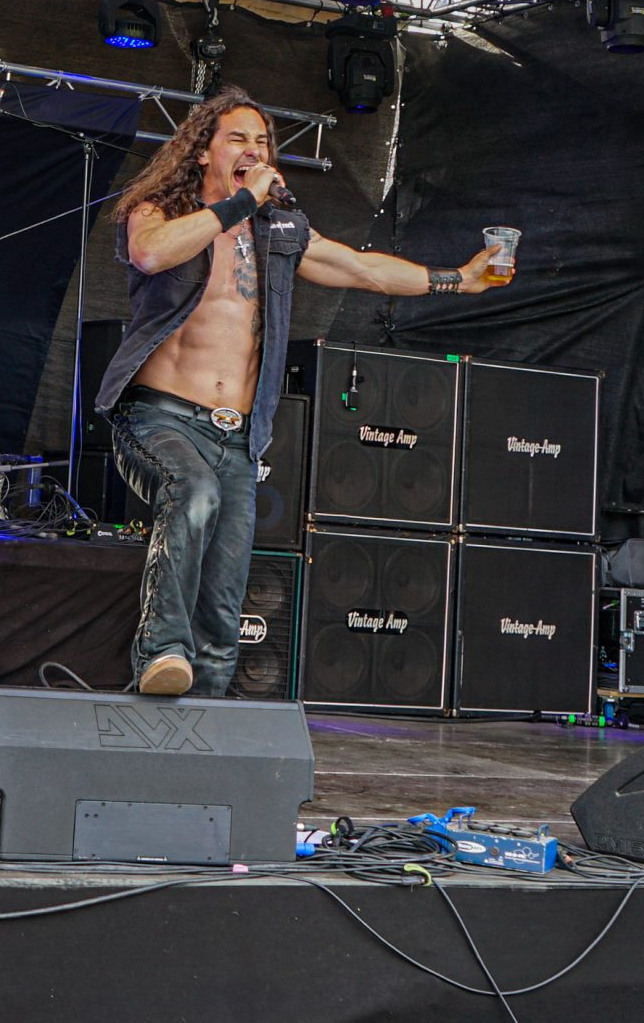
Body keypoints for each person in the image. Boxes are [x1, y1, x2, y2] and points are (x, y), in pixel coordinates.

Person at [91, 88, 507, 697]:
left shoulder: (280, 230)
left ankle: (204, 704)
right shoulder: (160, 210)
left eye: (262, 142)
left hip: (236, 435)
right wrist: (239, 202)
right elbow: (150, 254)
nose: (254, 151)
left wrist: (458, 280)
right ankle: (161, 650)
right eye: (238, 139)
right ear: (202, 151)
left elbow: (362, 268)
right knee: (193, 492)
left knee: (227, 592)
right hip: (158, 416)